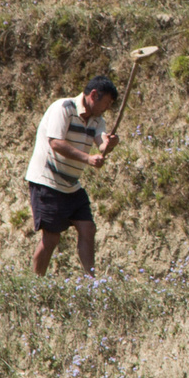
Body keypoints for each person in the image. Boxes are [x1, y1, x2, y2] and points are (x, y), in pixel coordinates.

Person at [26, 76, 120, 275]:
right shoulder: (64, 108)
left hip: (70, 185)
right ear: (94, 95)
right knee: (51, 238)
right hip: (47, 181)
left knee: (88, 228)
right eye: (107, 102)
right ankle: (36, 284)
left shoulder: (97, 120)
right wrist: (87, 158)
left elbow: (101, 143)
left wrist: (108, 145)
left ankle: (91, 280)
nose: (107, 108)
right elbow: (56, 143)